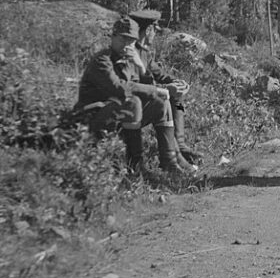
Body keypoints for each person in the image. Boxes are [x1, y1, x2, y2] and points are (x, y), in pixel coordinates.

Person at [74, 15, 194, 175]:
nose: (126, 44)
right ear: (113, 37)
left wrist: (142, 69)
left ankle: (170, 162)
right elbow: (120, 88)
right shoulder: (102, 60)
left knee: (160, 103)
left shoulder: (131, 59)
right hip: (92, 118)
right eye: (122, 39)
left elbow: (148, 84)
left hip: (120, 116)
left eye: (130, 41)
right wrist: (160, 89)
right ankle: (136, 166)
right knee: (134, 102)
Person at [128, 9, 200, 167]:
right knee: (163, 99)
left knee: (176, 97)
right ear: (148, 30)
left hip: (142, 103)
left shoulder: (144, 52)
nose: (155, 34)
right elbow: (135, 88)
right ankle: (171, 157)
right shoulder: (130, 53)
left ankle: (180, 146)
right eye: (155, 30)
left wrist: (177, 82)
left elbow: (159, 74)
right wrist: (166, 88)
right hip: (132, 110)